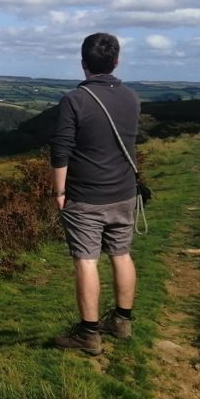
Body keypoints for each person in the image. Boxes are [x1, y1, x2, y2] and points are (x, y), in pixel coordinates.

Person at [50, 33, 140, 356]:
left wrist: (59, 191)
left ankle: (88, 335)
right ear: (116, 62)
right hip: (125, 193)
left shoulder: (75, 100)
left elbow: (61, 150)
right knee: (121, 254)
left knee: (86, 261)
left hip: (86, 196)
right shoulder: (132, 98)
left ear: (84, 64)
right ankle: (122, 321)